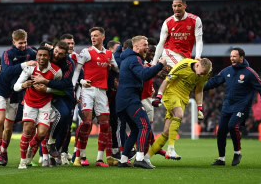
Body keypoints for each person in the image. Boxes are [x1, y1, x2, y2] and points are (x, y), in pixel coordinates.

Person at [204, 47, 261, 166]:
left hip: (242, 106)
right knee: (221, 131)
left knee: (232, 125)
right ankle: (221, 159)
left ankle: (237, 153)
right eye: (231, 56)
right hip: (227, 105)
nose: (232, 58)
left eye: (234, 56)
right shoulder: (226, 71)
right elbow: (214, 81)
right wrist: (199, 87)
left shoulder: (250, 72)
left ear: (241, 58)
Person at [116, 35, 166, 169]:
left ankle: (123, 160)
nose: (147, 47)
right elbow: (143, 74)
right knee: (145, 126)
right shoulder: (134, 59)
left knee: (134, 130)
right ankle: (139, 158)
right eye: (144, 44)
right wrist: (160, 65)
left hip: (123, 100)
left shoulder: (128, 58)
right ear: (136, 47)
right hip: (130, 100)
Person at [71, 27, 119, 167]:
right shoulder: (86, 52)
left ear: (103, 37)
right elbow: (77, 72)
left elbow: (117, 69)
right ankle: (82, 156)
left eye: (96, 35)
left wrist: (112, 68)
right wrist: (76, 87)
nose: (93, 38)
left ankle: (99, 159)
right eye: (91, 35)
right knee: (86, 123)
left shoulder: (109, 54)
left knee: (105, 125)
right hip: (88, 90)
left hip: (102, 92)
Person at [148, 58, 212, 161]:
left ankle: (146, 158)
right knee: (179, 115)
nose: (201, 76)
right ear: (197, 65)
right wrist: (159, 96)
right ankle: (171, 149)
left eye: (204, 74)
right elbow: (166, 80)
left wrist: (200, 107)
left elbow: (199, 90)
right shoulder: (183, 65)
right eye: (201, 73)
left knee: (166, 132)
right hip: (171, 93)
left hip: (183, 99)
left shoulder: (205, 73)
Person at [0, 29, 36, 166]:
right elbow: (6, 71)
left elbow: (42, 57)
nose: (23, 45)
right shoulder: (8, 53)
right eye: (20, 43)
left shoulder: (31, 53)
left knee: (9, 127)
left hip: (16, 93)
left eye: (25, 42)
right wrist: (24, 64)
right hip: (1, 89)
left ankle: (3, 151)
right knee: (0, 120)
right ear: (13, 42)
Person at [14, 46, 62, 169]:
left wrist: (47, 89)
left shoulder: (56, 71)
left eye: (44, 55)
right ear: (36, 56)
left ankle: (31, 146)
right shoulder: (29, 69)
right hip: (30, 103)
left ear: (49, 57)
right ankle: (23, 161)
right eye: (39, 55)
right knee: (28, 129)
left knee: (41, 133)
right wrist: (24, 85)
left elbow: (60, 89)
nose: (41, 57)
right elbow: (16, 86)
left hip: (45, 104)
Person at [32, 41, 75, 166]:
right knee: (39, 124)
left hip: (61, 93)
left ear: (66, 54)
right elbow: (32, 53)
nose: (56, 55)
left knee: (65, 120)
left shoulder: (69, 64)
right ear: (53, 48)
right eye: (55, 51)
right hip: (42, 93)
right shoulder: (47, 54)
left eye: (60, 54)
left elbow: (65, 84)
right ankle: (40, 155)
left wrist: (46, 82)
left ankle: (53, 147)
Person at [152, 0, 203, 68]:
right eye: (174, 6)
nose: (176, 8)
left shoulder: (195, 20)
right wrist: (154, 62)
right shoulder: (167, 22)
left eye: (179, 6)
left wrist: (198, 56)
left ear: (185, 6)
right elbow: (161, 43)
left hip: (185, 56)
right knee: (183, 69)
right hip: (169, 53)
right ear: (172, 6)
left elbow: (199, 41)